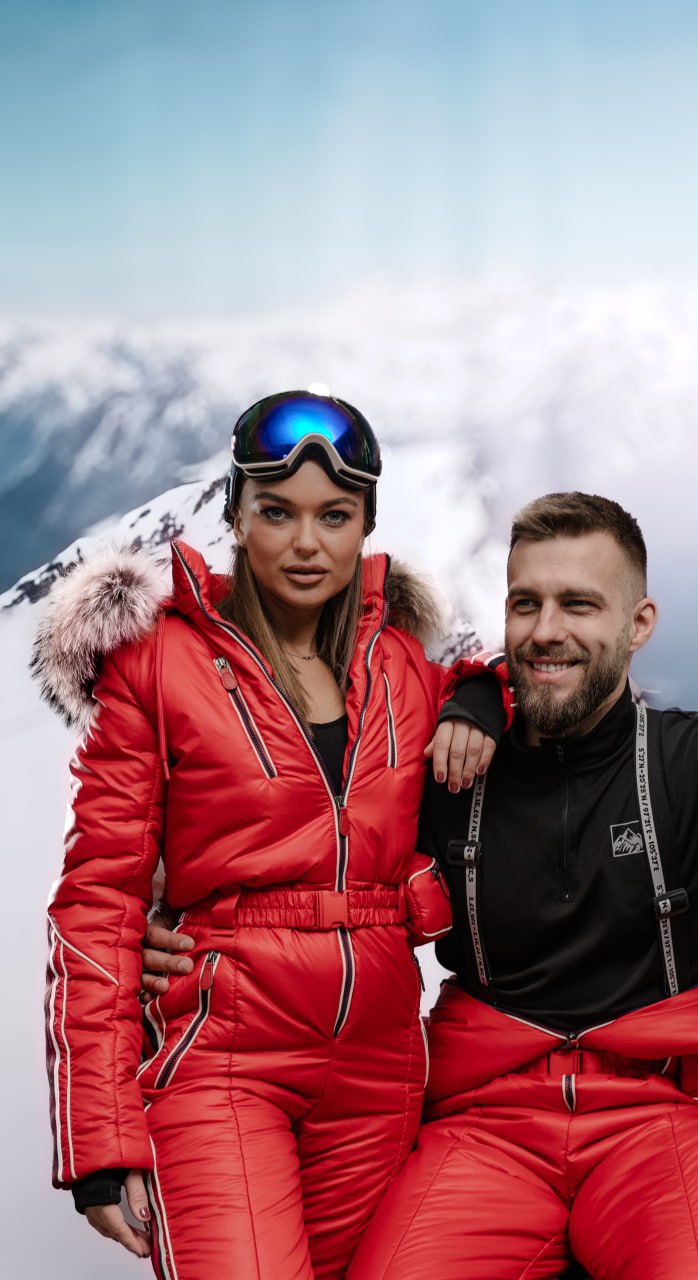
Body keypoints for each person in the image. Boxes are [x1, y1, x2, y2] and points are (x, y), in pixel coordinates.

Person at [145, 419, 698, 1278]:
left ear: (639, 624)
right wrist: (178, 926)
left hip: (665, 1121)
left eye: (578, 604)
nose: (545, 629)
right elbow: (311, 856)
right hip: (485, 1124)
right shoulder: (445, 766)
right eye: (526, 603)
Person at [35, 388, 506, 1280]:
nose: (305, 542)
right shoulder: (157, 663)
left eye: (334, 516)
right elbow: (97, 898)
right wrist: (97, 1138)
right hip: (223, 1064)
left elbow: (549, 691)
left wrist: (484, 691)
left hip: (376, 1075)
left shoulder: (400, 662)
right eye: (277, 512)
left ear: (366, 523)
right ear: (236, 515)